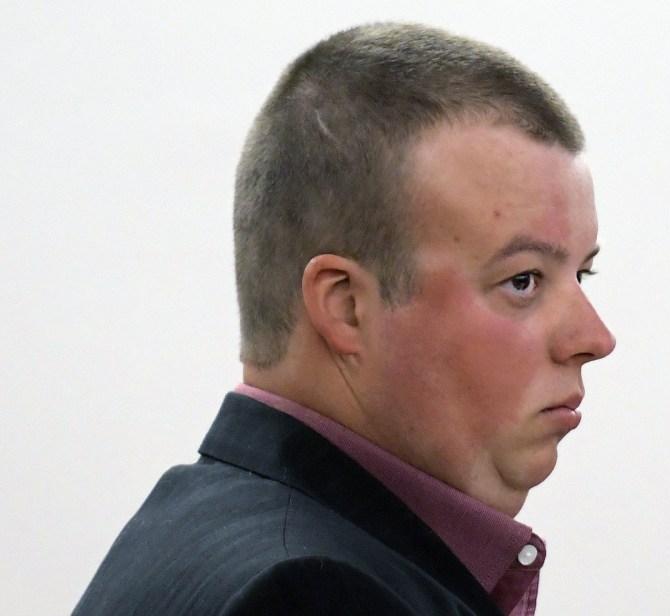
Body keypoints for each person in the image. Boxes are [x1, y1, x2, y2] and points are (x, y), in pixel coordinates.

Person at [73, 22, 615, 616]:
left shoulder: (195, 525)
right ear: (347, 308)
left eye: (582, 274)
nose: (594, 339)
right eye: (523, 280)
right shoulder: (314, 595)